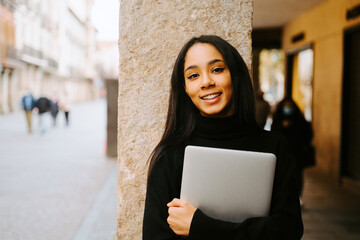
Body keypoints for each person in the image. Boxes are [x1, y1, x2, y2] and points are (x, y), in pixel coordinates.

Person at [143, 35, 303, 240]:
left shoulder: (275, 146)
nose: (206, 82)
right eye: (193, 76)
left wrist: (200, 226)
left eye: (217, 69)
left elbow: (289, 231)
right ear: (185, 88)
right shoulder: (169, 155)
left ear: (235, 75)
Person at [271, 98, 314, 198]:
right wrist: (282, 127)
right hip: (282, 153)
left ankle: (298, 196)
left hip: (297, 152)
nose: (288, 108)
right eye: (286, 106)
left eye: (290, 106)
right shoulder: (278, 119)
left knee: (297, 175)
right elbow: (274, 134)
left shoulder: (299, 119)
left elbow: (307, 134)